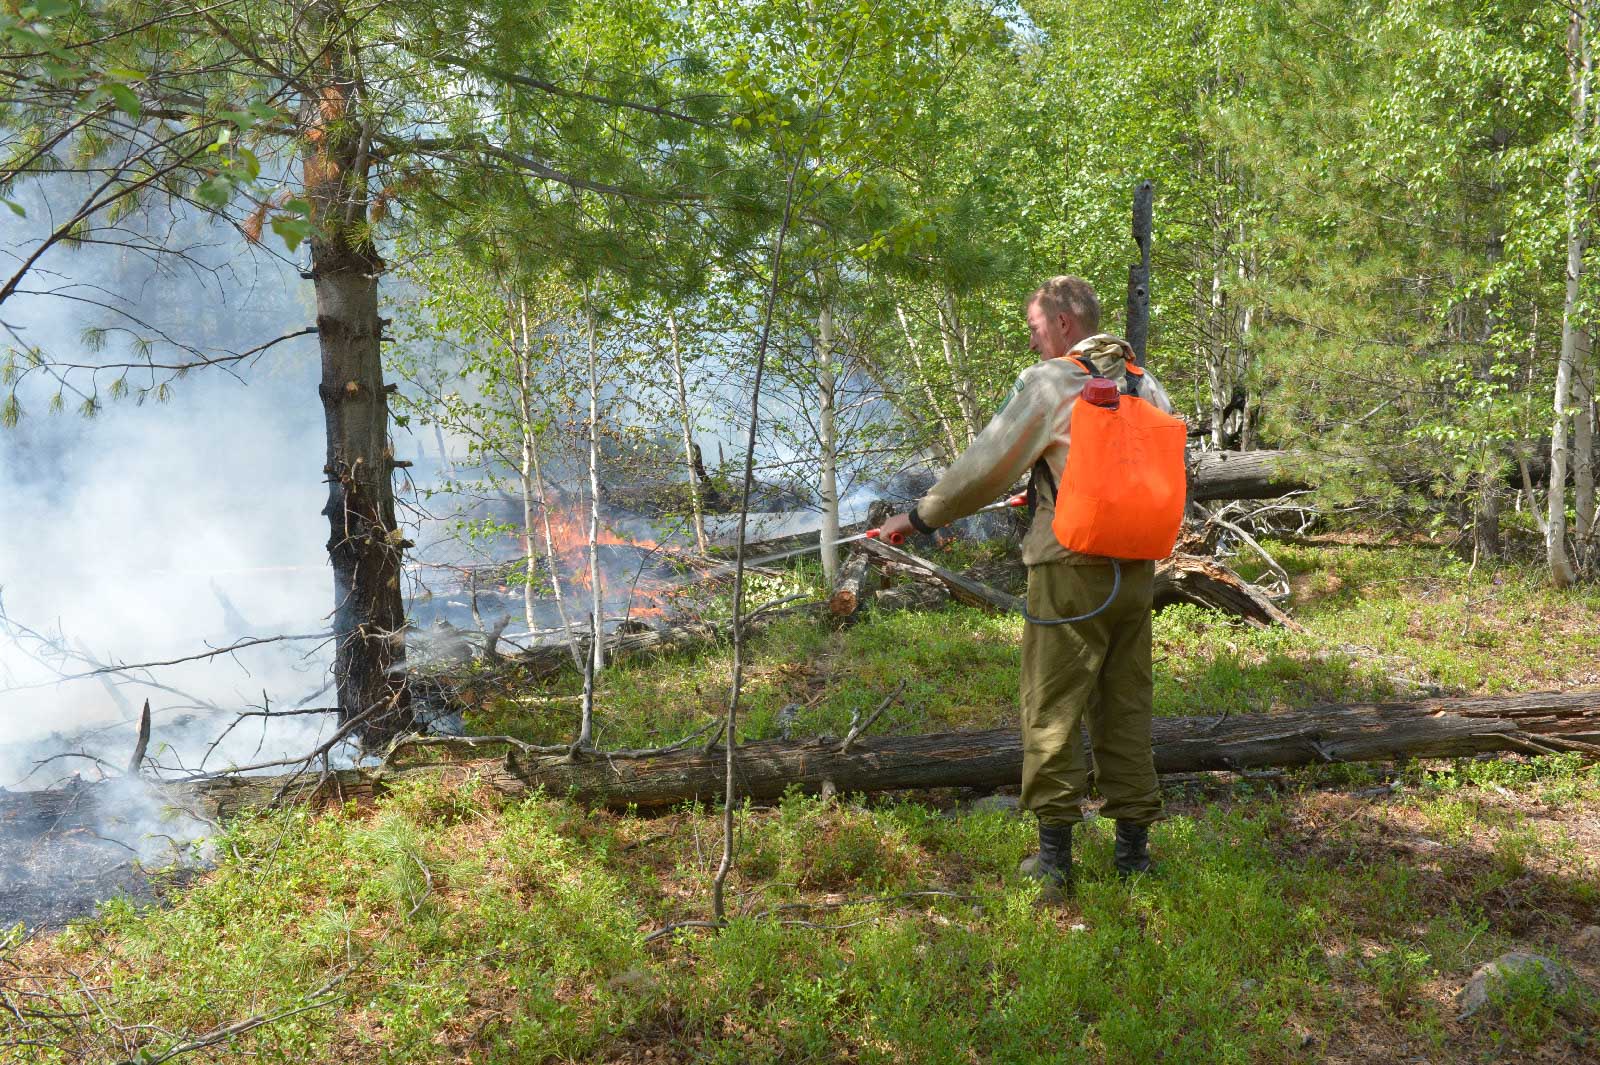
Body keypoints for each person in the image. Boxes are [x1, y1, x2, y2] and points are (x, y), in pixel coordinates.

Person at [877, 275, 1177, 901]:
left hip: (1070, 573)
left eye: (1036, 327)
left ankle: (1054, 861)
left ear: (1065, 323)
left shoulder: (1050, 383)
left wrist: (920, 516)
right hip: (1136, 574)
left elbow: (983, 468)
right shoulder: (1147, 383)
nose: (1033, 338)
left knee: (1052, 706)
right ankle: (1134, 855)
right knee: (1126, 705)